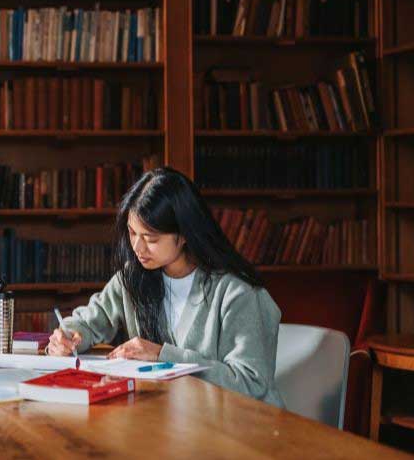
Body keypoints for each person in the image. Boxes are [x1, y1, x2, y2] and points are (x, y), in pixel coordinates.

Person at [48, 167, 284, 407]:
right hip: (174, 424)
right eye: (132, 233)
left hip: (242, 430)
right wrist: (68, 336)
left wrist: (163, 356)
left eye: (151, 239)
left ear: (183, 235)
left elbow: (250, 383)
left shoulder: (237, 293)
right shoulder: (133, 278)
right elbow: (87, 322)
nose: (138, 248)